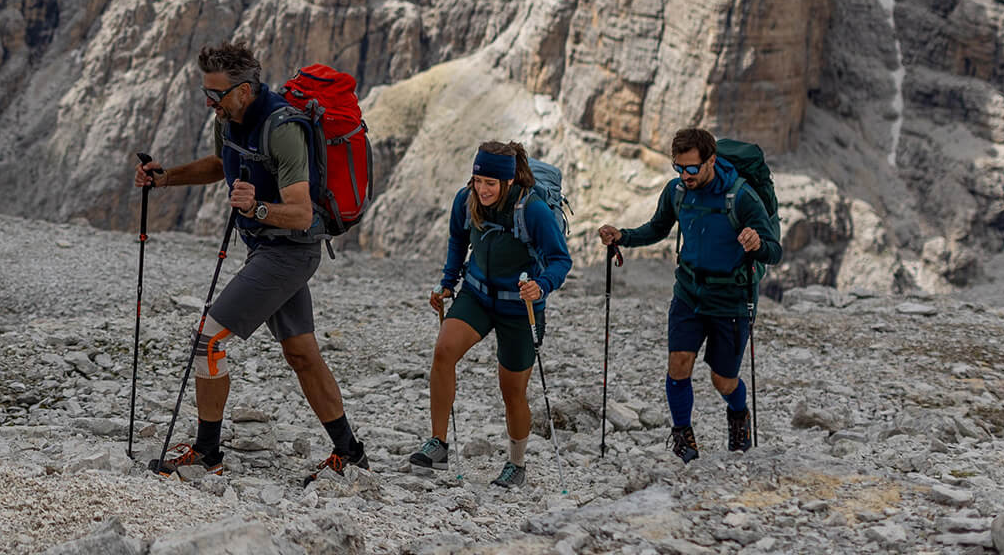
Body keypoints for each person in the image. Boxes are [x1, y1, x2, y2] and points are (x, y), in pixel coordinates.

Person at [134, 40, 369, 485]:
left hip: (291, 250)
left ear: (243, 89)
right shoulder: (231, 119)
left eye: (216, 94)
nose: (209, 102)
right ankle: (351, 453)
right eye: (205, 92)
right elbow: (221, 164)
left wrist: (257, 208)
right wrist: (166, 179)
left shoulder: (281, 128)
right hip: (266, 248)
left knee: (207, 341)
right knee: (301, 353)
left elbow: (301, 212)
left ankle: (207, 453)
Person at [597, 127, 782, 462]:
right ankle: (683, 439)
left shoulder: (741, 197)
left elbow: (774, 251)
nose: (685, 175)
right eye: (679, 168)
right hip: (688, 292)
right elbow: (657, 228)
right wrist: (622, 236)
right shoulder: (677, 191)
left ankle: (738, 414)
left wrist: (757, 243)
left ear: (711, 161)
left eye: (692, 168)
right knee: (678, 365)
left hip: (732, 298)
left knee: (723, 381)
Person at [407, 141, 571, 488]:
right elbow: (457, 239)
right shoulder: (465, 200)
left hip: (519, 306)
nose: (481, 189)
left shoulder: (534, 211)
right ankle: (438, 444)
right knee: (443, 351)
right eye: (477, 180)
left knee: (512, 391)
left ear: (507, 182)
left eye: (489, 183)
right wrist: (448, 283)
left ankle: (517, 463)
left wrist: (541, 285)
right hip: (477, 295)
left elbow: (560, 259)